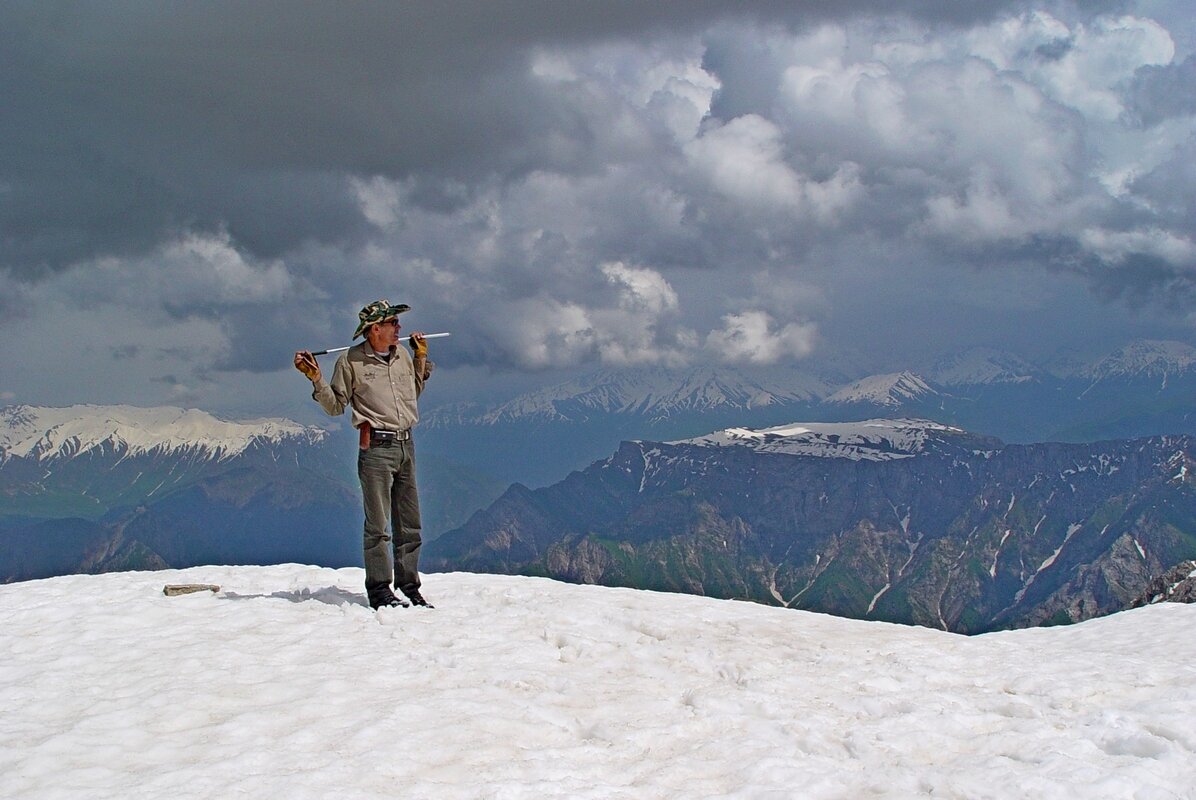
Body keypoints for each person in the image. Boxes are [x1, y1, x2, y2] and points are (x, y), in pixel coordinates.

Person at [293, 300, 435, 610]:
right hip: (377, 449)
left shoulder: (402, 358)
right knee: (378, 525)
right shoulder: (351, 362)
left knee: (410, 522)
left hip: (405, 444)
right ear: (375, 329)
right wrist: (316, 379)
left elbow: (412, 396)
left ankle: (409, 585)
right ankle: (380, 590)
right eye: (393, 323)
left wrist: (421, 357)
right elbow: (335, 406)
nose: (399, 328)